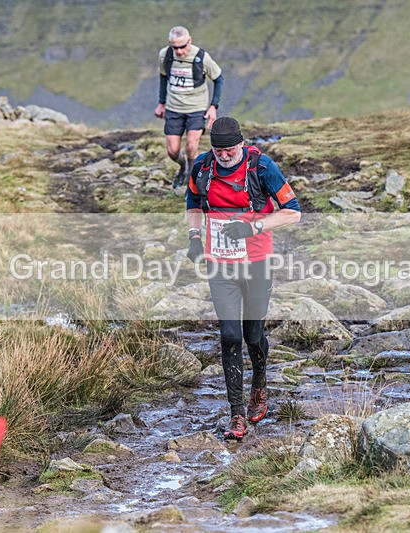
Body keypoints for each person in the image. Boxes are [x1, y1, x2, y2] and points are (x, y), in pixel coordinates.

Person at [185, 117, 301, 440]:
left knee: (253, 336)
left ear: (241, 144)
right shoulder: (202, 168)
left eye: (229, 150)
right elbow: (193, 203)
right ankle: (237, 414)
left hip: (257, 261)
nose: (223, 156)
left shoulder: (262, 168)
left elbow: (293, 211)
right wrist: (195, 237)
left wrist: (253, 227)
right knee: (230, 335)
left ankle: (259, 383)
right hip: (219, 263)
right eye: (218, 150)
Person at [155, 26, 223, 189]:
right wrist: (161, 102)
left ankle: (191, 180)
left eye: (182, 46)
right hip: (173, 108)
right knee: (172, 151)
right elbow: (164, 77)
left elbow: (218, 79)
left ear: (189, 41)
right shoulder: (165, 55)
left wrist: (213, 106)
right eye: (175, 47)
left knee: (192, 146)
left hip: (196, 108)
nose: (179, 51)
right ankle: (183, 166)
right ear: (170, 44)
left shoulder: (201, 57)